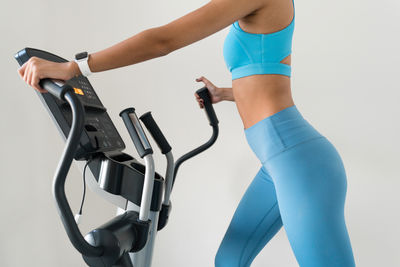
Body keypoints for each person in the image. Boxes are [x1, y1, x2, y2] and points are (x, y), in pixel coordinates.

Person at [17, 0, 356, 266]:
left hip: (301, 164)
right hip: (280, 163)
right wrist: (225, 92)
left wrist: (75, 67)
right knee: (229, 260)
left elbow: (163, 40)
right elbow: (272, 74)